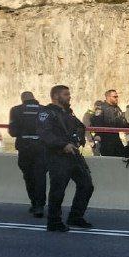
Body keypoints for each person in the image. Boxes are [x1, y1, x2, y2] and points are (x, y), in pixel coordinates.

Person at [38, 85, 94, 232]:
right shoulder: (47, 113)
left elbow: (81, 126)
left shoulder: (68, 113)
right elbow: (45, 135)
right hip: (57, 157)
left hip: (73, 155)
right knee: (58, 190)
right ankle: (54, 221)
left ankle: (75, 216)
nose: (69, 97)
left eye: (69, 94)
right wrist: (63, 145)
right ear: (56, 96)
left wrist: (78, 138)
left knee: (87, 185)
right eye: (66, 94)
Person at [7, 91, 47, 217]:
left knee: (28, 176)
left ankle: (34, 203)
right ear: (34, 98)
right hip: (41, 148)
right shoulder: (44, 110)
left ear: (22, 99)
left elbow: (12, 132)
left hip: (25, 148)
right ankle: (40, 205)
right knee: (40, 177)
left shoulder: (16, 110)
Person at [90, 89, 129, 157]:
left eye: (117, 96)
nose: (117, 98)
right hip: (106, 141)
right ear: (108, 97)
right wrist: (98, 135)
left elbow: (122, 122)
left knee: (123, 158)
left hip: (116, 139)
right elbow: (97, 123)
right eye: (114, 97)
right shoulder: (100, 108)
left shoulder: (117, 108)